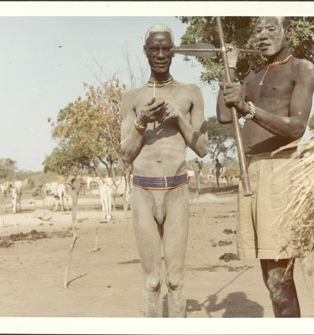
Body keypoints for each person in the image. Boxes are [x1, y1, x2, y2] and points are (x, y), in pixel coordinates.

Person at [217, 16, 314, 317]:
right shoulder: (251, 75)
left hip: (281, 172)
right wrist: (229, 68)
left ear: (287, 32)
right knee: (269, 276)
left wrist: (248, 109)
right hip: (252, 174)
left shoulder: (301, 68)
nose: (262, 35)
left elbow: (297, 127)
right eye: (258, 30)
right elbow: (224, 115)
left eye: (270, 29)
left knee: (279, 277)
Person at [120, 23, 208, 317]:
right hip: (143, 191)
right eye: (154, 48)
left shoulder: (190, 92)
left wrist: (179, 117)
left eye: (165, 48)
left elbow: (203, 147)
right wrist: (141, 120)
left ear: (174, 51)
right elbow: (125, 153)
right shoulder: (132, 98)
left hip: (176, 191)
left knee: (175, 279)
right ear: (145, 52)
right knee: (152, 280)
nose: (160, 54)